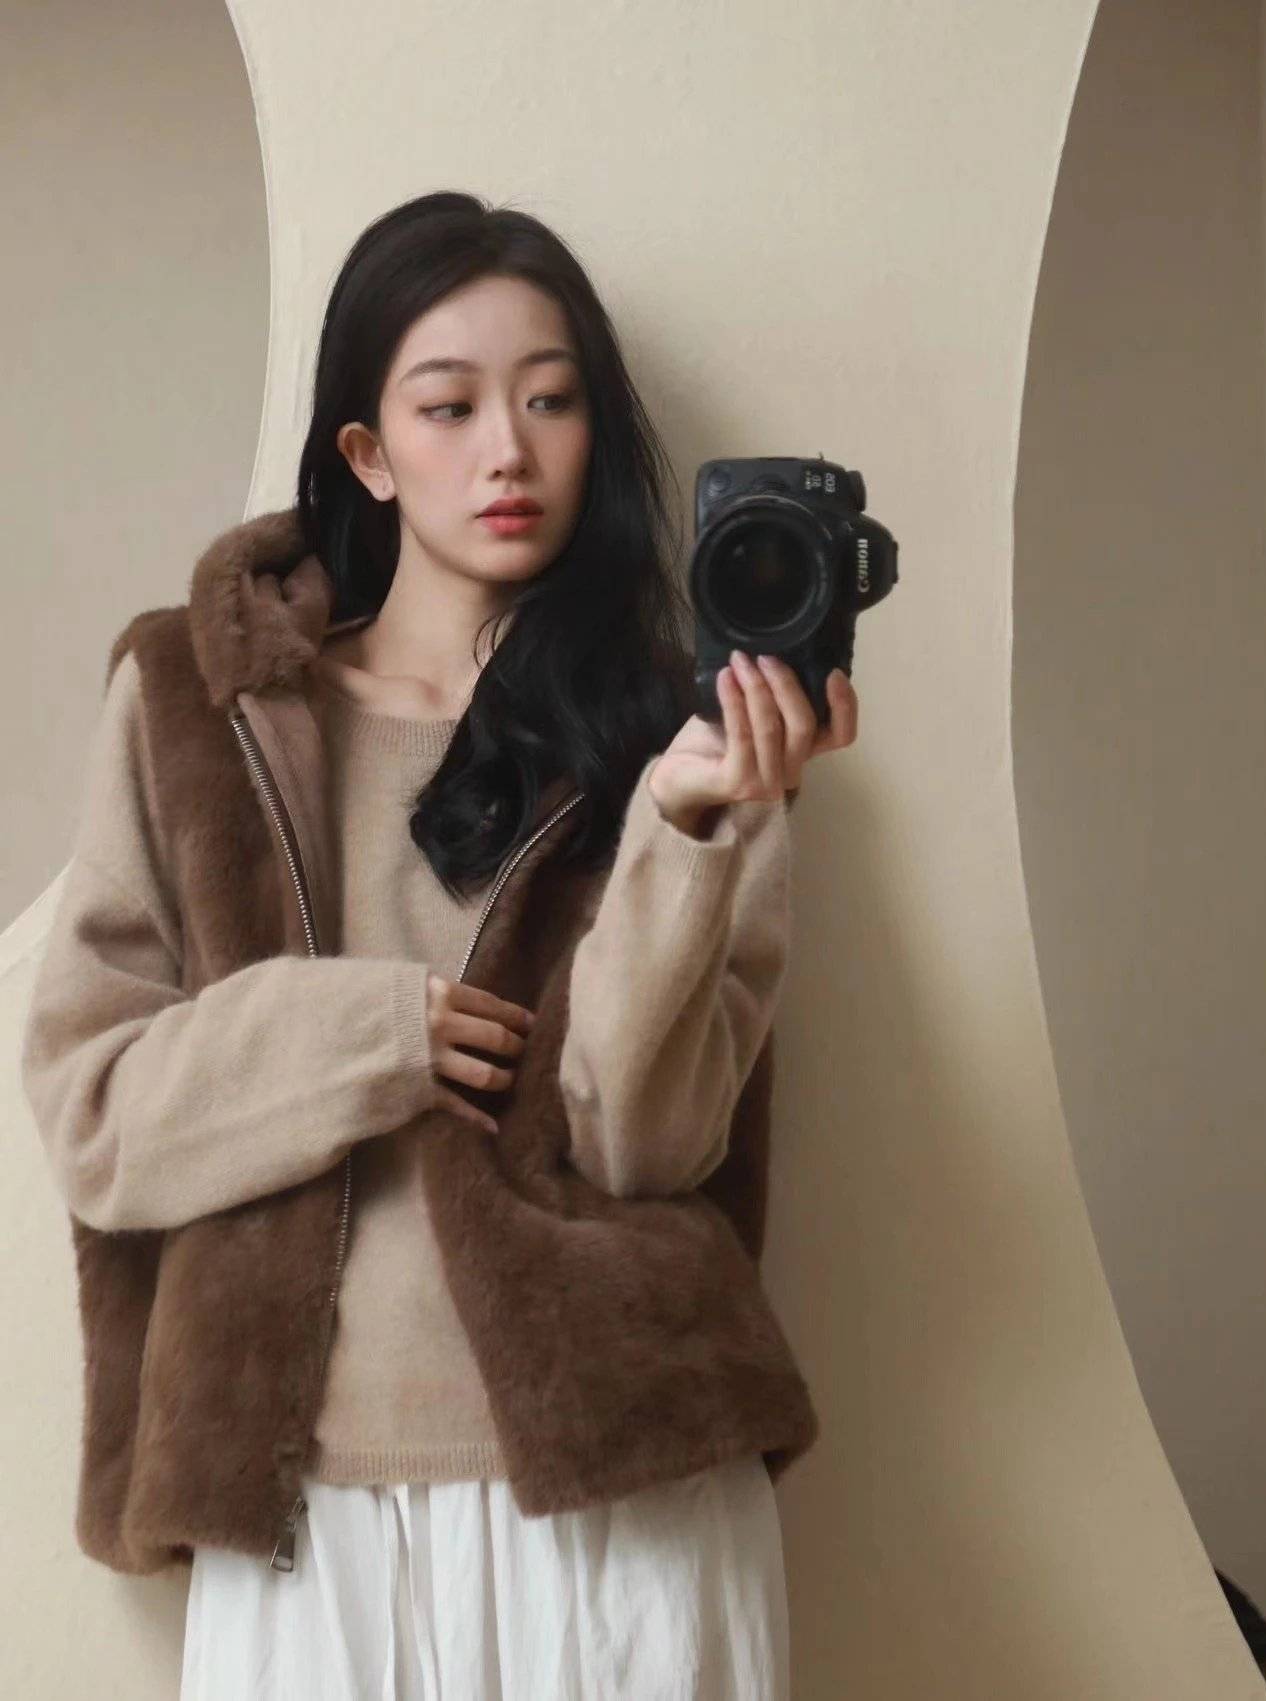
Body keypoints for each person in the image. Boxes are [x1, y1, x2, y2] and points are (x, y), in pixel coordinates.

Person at [21, 189, 857, 1699]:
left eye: (551, 400)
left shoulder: (680, 736)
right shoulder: (192, 704)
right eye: (450, 405)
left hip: (627, 1500)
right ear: (369, 451)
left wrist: (689, 825)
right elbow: (96, 1112)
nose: (507, 451)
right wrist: (371, 1032)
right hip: (301, 1515)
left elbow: (653, 1142)